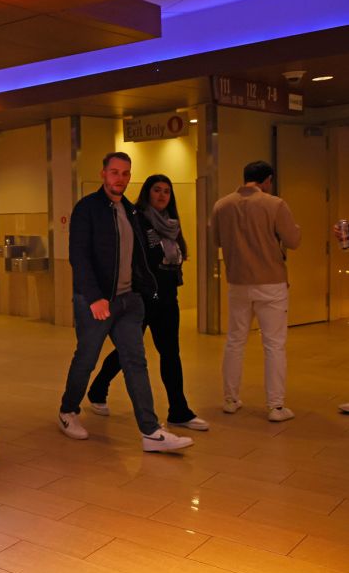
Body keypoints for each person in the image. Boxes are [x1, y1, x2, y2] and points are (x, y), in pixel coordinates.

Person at [58, 153, 193, 452]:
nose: (120, 178)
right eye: (114, 172)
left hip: (129, 301)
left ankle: (150, 432)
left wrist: (145, 292)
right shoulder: (87, 209)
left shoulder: (131, 211)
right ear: (103, 173)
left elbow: (141, 258)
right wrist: (94, 297)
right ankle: (68, 410)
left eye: (125, 173)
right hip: (95, 301)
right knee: (87, 358)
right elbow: (79, 257)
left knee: (135, 361)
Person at [87, 175, 209, 431]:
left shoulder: (171, 224)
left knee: (170, 353)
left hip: (167, 298)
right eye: (157, 190)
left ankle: (179, 410)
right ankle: (98, 388)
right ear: (147, 193)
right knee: (128, 352)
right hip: (141, 297)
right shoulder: (138, 220)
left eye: (167, 191)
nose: (162, 195)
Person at [211, 160, 301, 421]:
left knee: (235, 342)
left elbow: (217, 240)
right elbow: (293, 240)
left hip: (237, 282)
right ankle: (275, 406)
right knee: (273, 345)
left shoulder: (222, 205)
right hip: (270, 283)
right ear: (267, 180)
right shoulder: (275, 204)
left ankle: (230, 399)